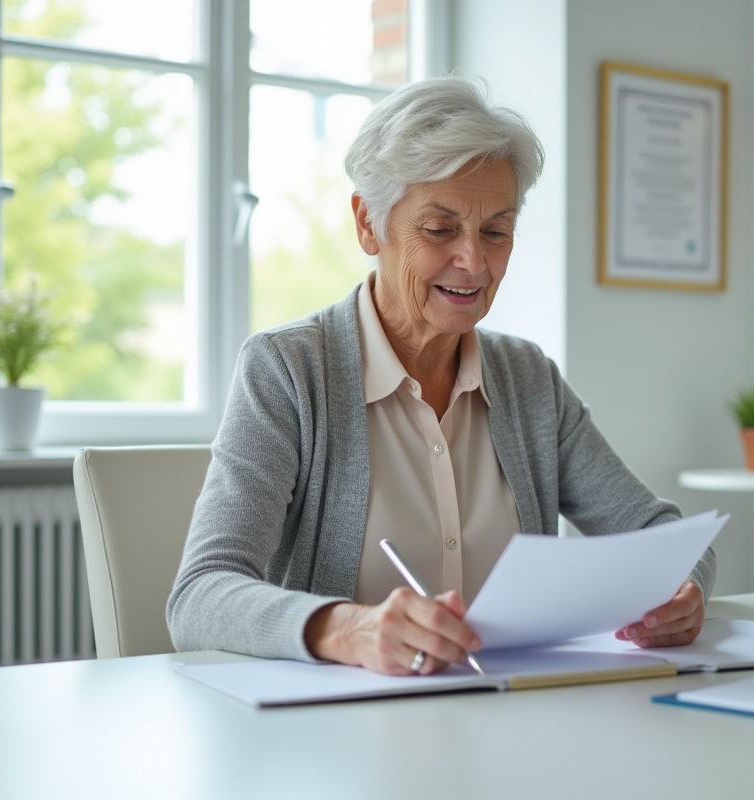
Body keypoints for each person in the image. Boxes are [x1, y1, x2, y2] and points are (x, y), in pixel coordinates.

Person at [167, 76, 716, 676]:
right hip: (339, 736)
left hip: (513, 720)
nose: (474, 262)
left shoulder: (528, 378)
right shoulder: (288, 370)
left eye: (496, 232)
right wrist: (348, 627)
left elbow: (660, 532)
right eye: (439, 229)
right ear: (368, 223)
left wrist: (682, 591)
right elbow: (199, 595)